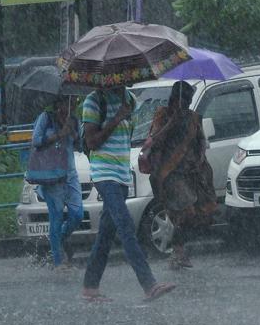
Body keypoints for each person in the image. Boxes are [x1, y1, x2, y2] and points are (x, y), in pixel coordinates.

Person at [81, 86, 175, 302]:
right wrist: (116, 118)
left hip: (123, 174)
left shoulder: (129, 99)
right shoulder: (93, 101)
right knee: (126, 227)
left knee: (105, 234)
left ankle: (90, 287)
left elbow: (130, 135)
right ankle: (149, 284)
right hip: (105, 174)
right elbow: (92, 142)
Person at [147, 81, 217, 269]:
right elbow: (155, 141)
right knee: (186, 211)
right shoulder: (162, 115)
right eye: (184, 99)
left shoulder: (194, 118)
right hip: (171, 173)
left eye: (189, 100)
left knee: (199, 213)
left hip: (192, 171)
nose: (187, 104)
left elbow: (201, 141)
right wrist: (172, 122)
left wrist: (200, 158)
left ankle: (179, 251)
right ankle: (178, 252)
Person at [31, 96, 83, 270]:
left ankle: (59, 240)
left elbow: (80, 145)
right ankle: (58, 261)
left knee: (77, 215)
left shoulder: (74, 120)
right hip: (52, 176)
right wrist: (58, 135)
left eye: (72, 102)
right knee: (57, 217)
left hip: (70, 174)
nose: (69, 105)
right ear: (57, 103)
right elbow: (36, 141)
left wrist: (73, 132)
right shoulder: (46, 118)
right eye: (65, 102)